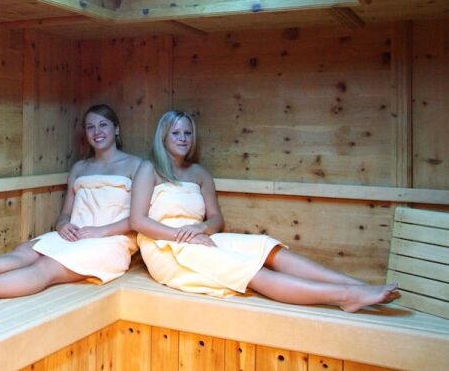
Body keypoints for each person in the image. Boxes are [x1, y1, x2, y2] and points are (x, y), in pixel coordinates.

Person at [130, 110, 400, 312]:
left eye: (188, 133)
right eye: (176, 133)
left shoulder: (199, 173)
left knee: (267, 247)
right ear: (163, 137)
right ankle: (345, 297)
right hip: (164, 246)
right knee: (248, 269)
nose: (183, 138)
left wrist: (200, 228)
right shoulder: (149, 169)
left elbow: (216, 218)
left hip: (199, 236)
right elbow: (138, 220)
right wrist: (183, 235)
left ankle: (356, 285)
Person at [0, 104, 142, 307]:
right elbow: (65, 213)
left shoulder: (136, 166)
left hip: (111, 241)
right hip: (76, 234)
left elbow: (138, 219)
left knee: (46, 266)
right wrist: (63, 225)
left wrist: (99, 231)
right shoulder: (80, 168)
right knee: (26, 250)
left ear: (116, 129)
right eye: (90, 127)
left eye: (103, 125)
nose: (97, 132)